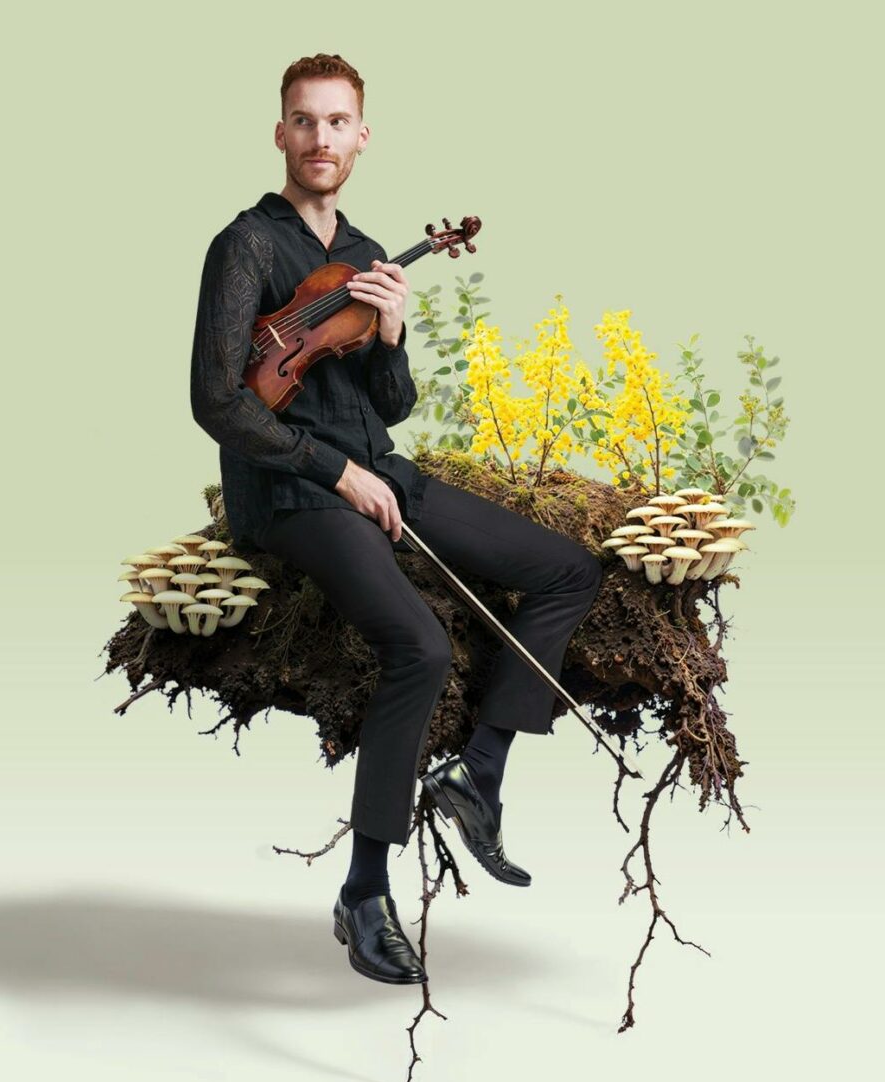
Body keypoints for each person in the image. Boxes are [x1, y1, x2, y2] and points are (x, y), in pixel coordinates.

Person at [187, 54, 602, 986]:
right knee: (419, 644)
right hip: (291, 491)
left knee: (569, 570)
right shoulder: (245, 247)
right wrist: (334, 472)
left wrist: (395, 330)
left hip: (379, 471)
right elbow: (219, 401)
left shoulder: (368, 255)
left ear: (362, 135)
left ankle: (479, 777)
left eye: (339, 123)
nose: (321, 139)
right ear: (280, 132)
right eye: (304, 121)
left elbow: (393, 403)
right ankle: (364, 891)